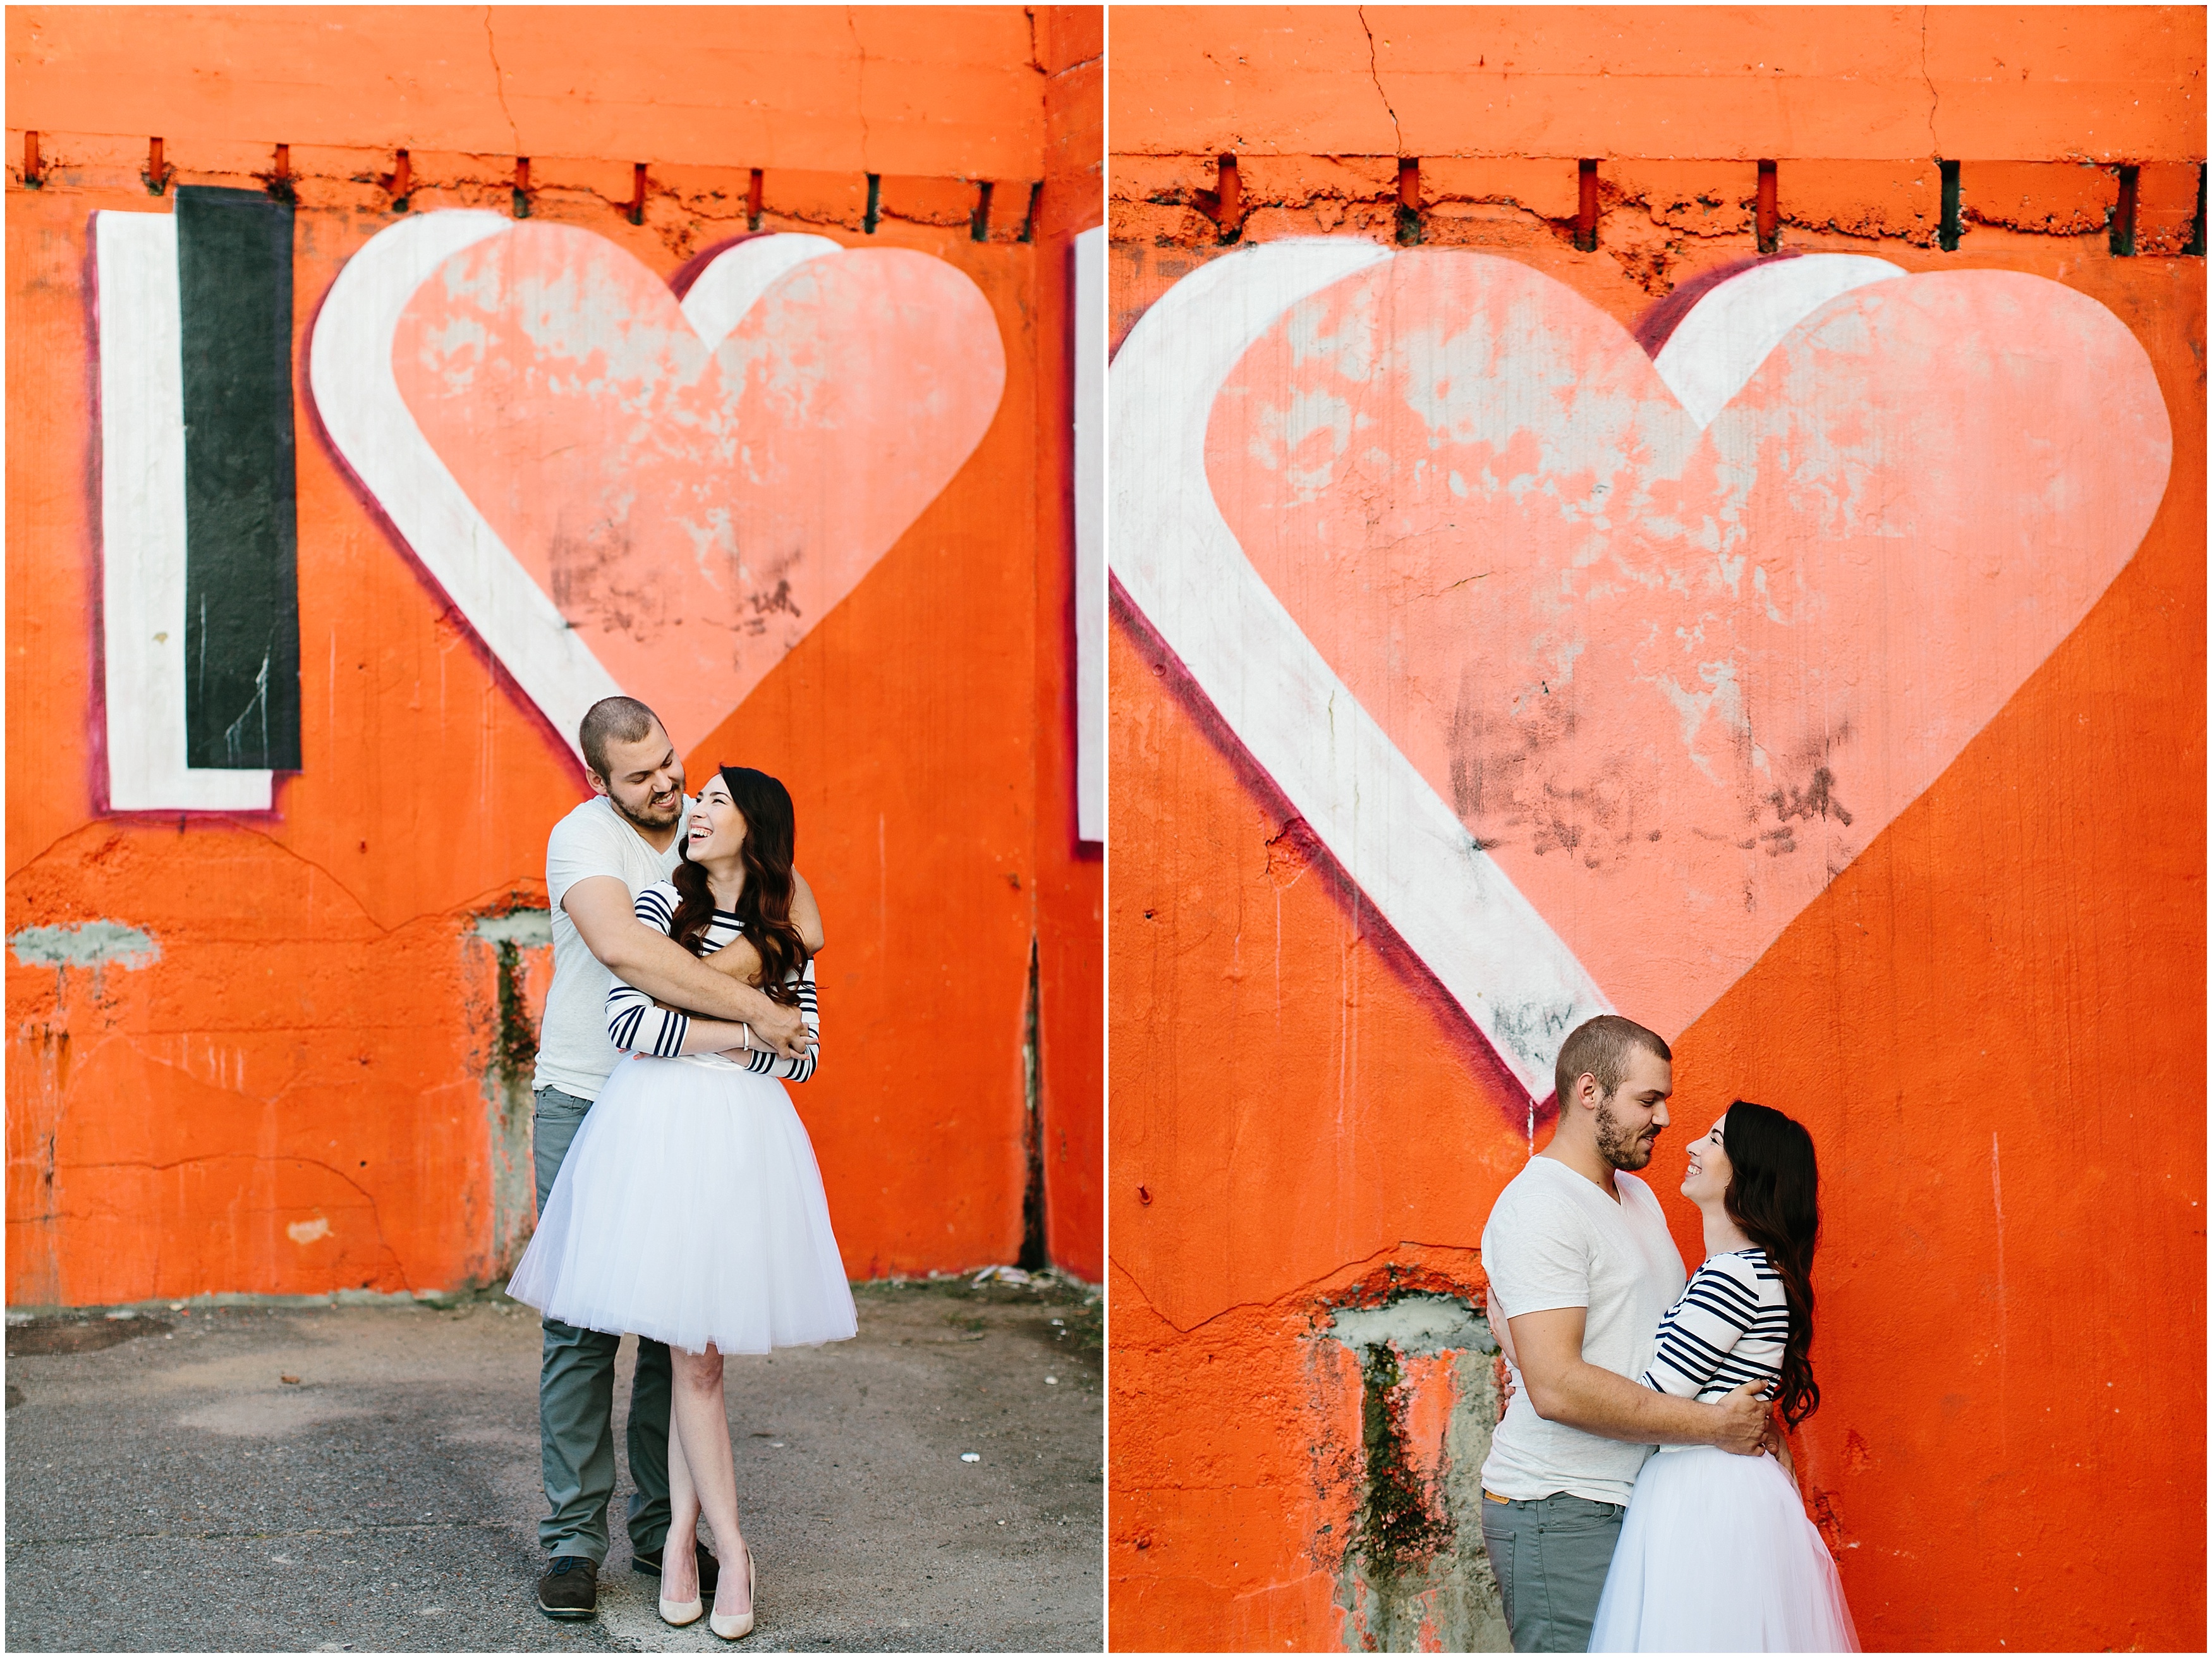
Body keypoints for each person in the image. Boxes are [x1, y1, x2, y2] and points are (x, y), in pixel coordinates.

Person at [509, 764, 856, 1640]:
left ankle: (689, 1543)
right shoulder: (665, 900)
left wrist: (737, 1030)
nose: (695, 809)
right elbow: (633, 1022)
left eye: (715, 799)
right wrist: (749, 1026)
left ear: (755, 824)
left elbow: (805, 1051)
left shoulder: (783, 924)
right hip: (651, 1130)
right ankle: (692, 1547)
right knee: (645, 1335)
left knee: (696, 1351)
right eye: (691, 797)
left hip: (741, 1141)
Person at [1476, 1015, 1770, 1655]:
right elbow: (1555, 1388)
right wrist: (1716, 1426)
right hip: (1562, 1509)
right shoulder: (1540, 1207)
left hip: (1637, 1505)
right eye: (1647, 1099)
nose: (1664, 1117)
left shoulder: (1635, 1195)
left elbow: (1644, 1340)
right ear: (1589, 1092)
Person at [1584, 1102, 1859, 1652]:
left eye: (1713, 1140)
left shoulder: (1732, 1277)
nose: (1691, 1146)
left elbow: (1657, 1401)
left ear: (1746, 1173)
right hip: (1729, 1487)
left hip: (1703, 1492)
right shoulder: (1752, 1272)